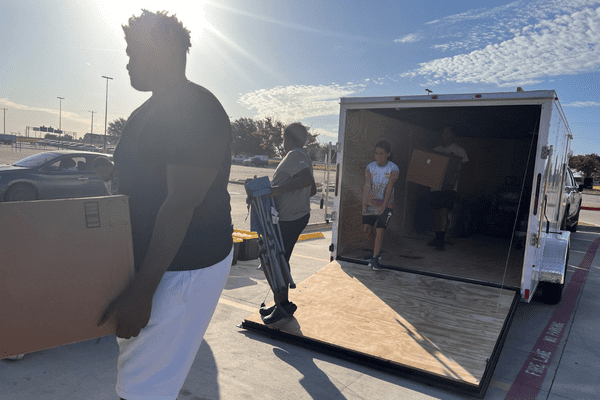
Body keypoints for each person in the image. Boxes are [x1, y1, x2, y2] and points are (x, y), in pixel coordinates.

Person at [97, 10, 233, 400]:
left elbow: (180, 202)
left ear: (164, 51)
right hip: (153, 264)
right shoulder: (148, 112)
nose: (126, 63)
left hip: (182, 268)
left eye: (132, 52)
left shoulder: (195, 108)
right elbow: (145, 179)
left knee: (143, 389)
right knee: (139, 375)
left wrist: (143, 291)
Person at [259, 123, 316, 324]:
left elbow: (307, 180)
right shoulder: (303, 156)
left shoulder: (295, 154)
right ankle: (282, 303)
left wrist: (276, 190)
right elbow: (313, 189)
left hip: (291, 218)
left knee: (272, 259)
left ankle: (283, 305)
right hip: (294, 215)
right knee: (279, 258)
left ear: (288, 138)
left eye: (283, 138)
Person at [427, 127, 468, 251]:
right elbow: (428, 166)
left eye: (448, 133)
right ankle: (437, 236)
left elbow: (463, 168)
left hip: (449, 187)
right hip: (435, 186)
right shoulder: (436, 150)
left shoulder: (459, 150)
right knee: (437, 212)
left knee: (444, 212)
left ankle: (441, 240)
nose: (445, 135)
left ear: (452, 135)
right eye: (443, 132)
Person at [362, 140, 399, 270]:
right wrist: (364, 203)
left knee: (380, 230)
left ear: (388, 154)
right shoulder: (370, 167)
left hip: (386, 204)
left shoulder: (393, 168)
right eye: (376, 153)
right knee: (367, 230)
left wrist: (384, 206)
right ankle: (374, 252)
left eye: (382, 153)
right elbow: (367, 185)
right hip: (371, 203)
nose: (379, 157)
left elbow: (389, 187)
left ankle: (376, 259)